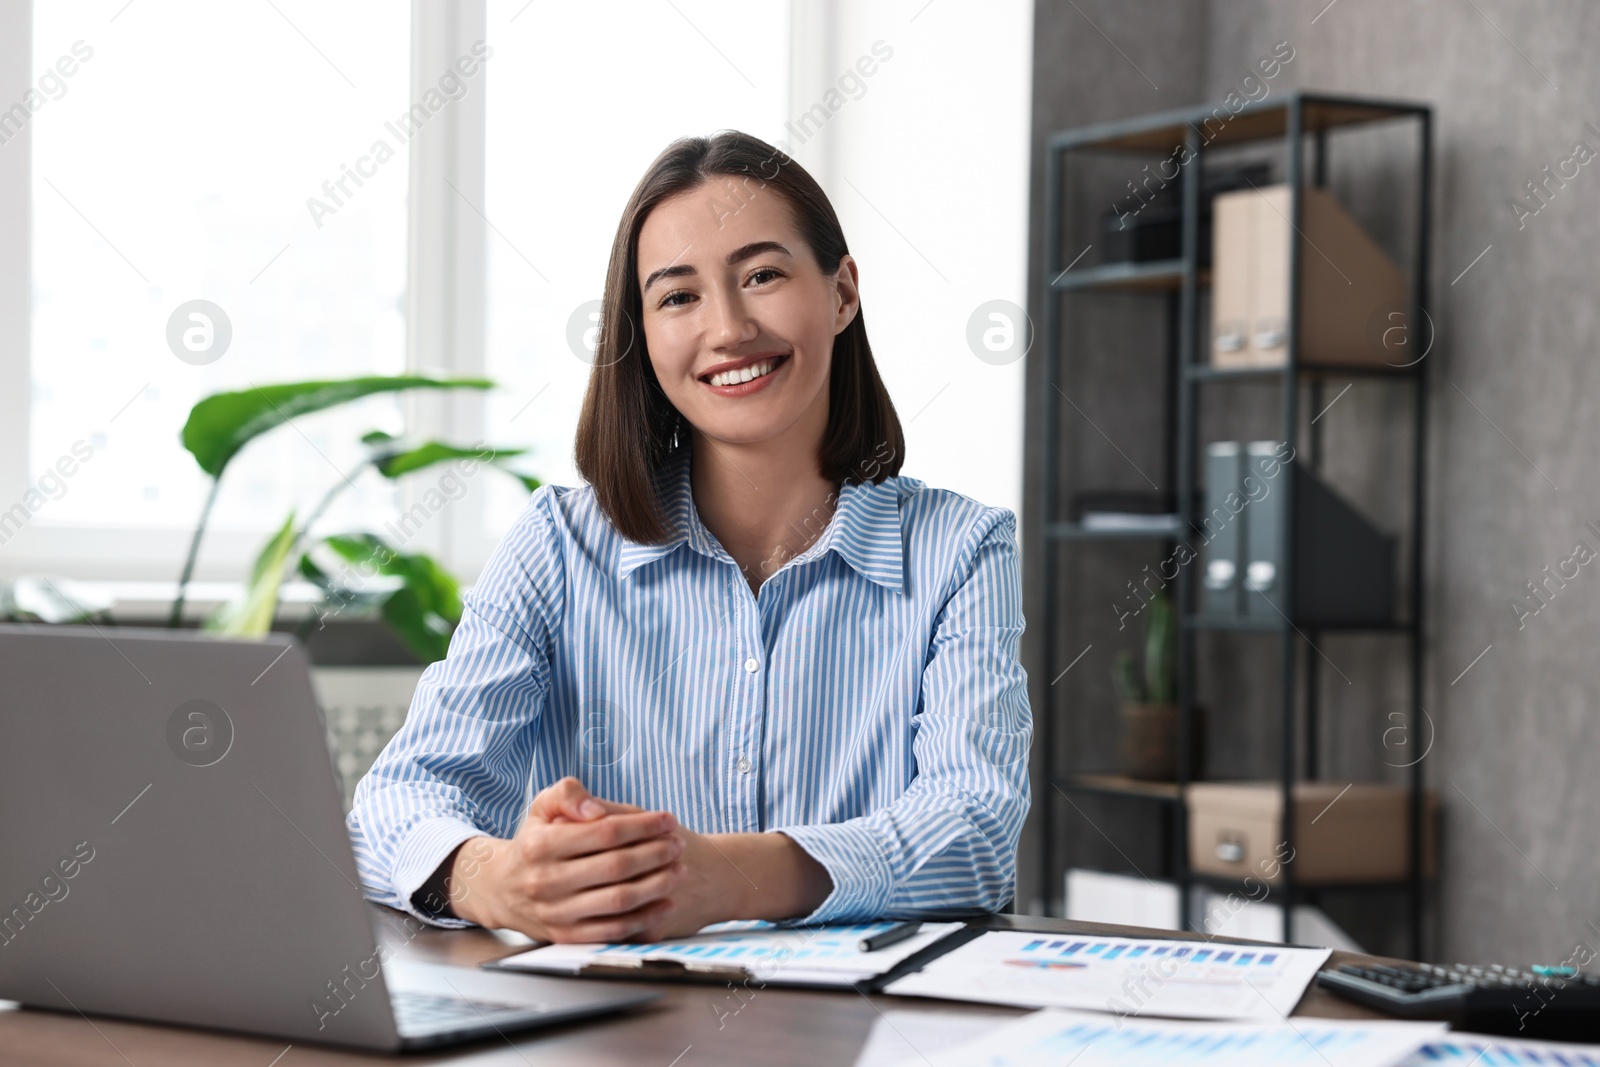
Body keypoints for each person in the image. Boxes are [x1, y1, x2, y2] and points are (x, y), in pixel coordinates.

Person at [348, 130, 1031, 944]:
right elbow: (396, 799)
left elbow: (975, 831)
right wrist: (496, 880)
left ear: (842, 292)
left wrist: (726, 874)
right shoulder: (559, 546)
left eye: (762, 275)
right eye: (678, 296)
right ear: (642, 332)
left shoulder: (962, 549)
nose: (729, 327)